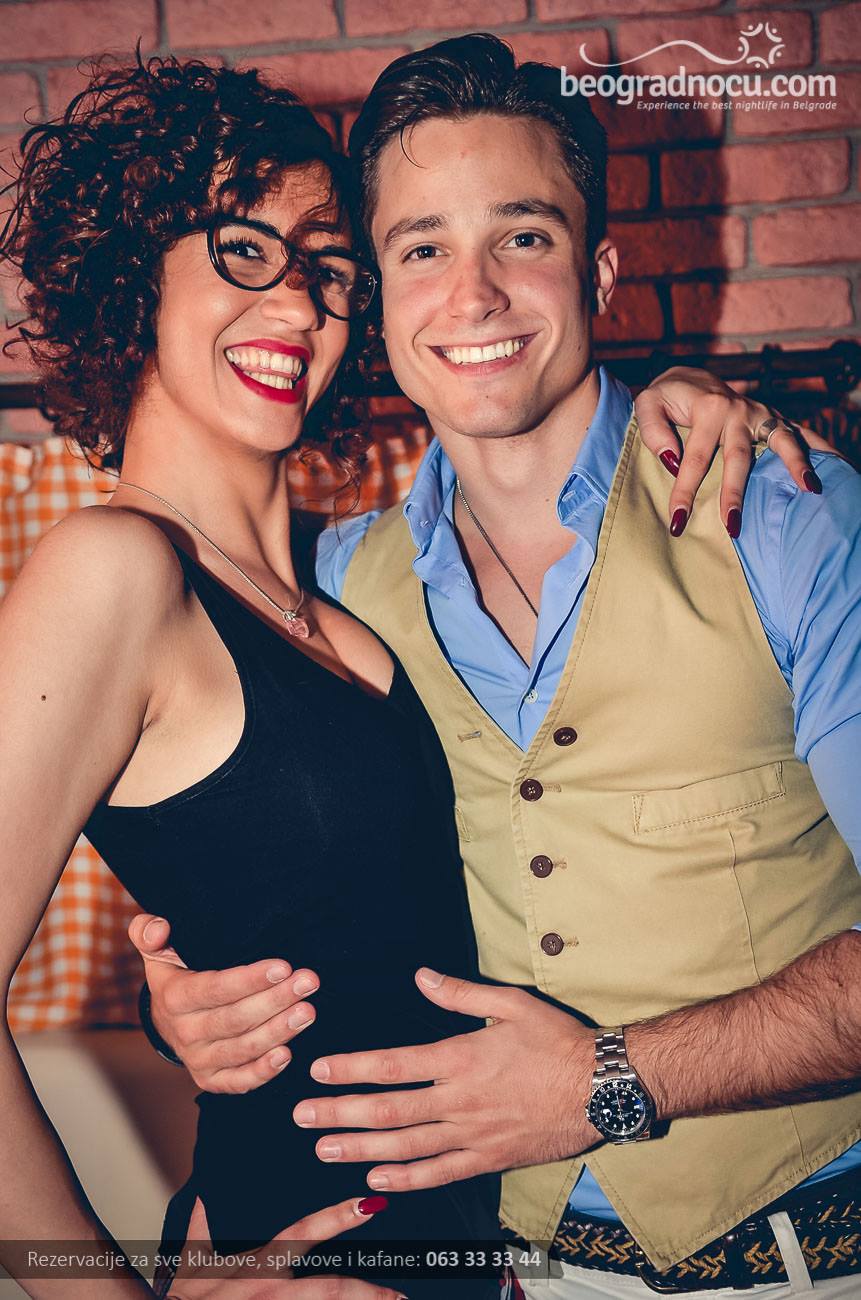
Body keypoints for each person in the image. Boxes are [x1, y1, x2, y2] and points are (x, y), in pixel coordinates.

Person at [135, 35, 861, 1300]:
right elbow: (295, 898)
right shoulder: (332, 597)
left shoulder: (789, 518)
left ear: (599, 270)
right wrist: (183, 1007)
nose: (471, 296)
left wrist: (608, 1080)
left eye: (522, 236)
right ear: (376, 298)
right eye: (421, 249)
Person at [0, 52, 512, 1300]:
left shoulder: (344, 580)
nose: (298, 302)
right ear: (136, 275)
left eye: (327, 267)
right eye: (244, 248)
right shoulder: (114, 568)